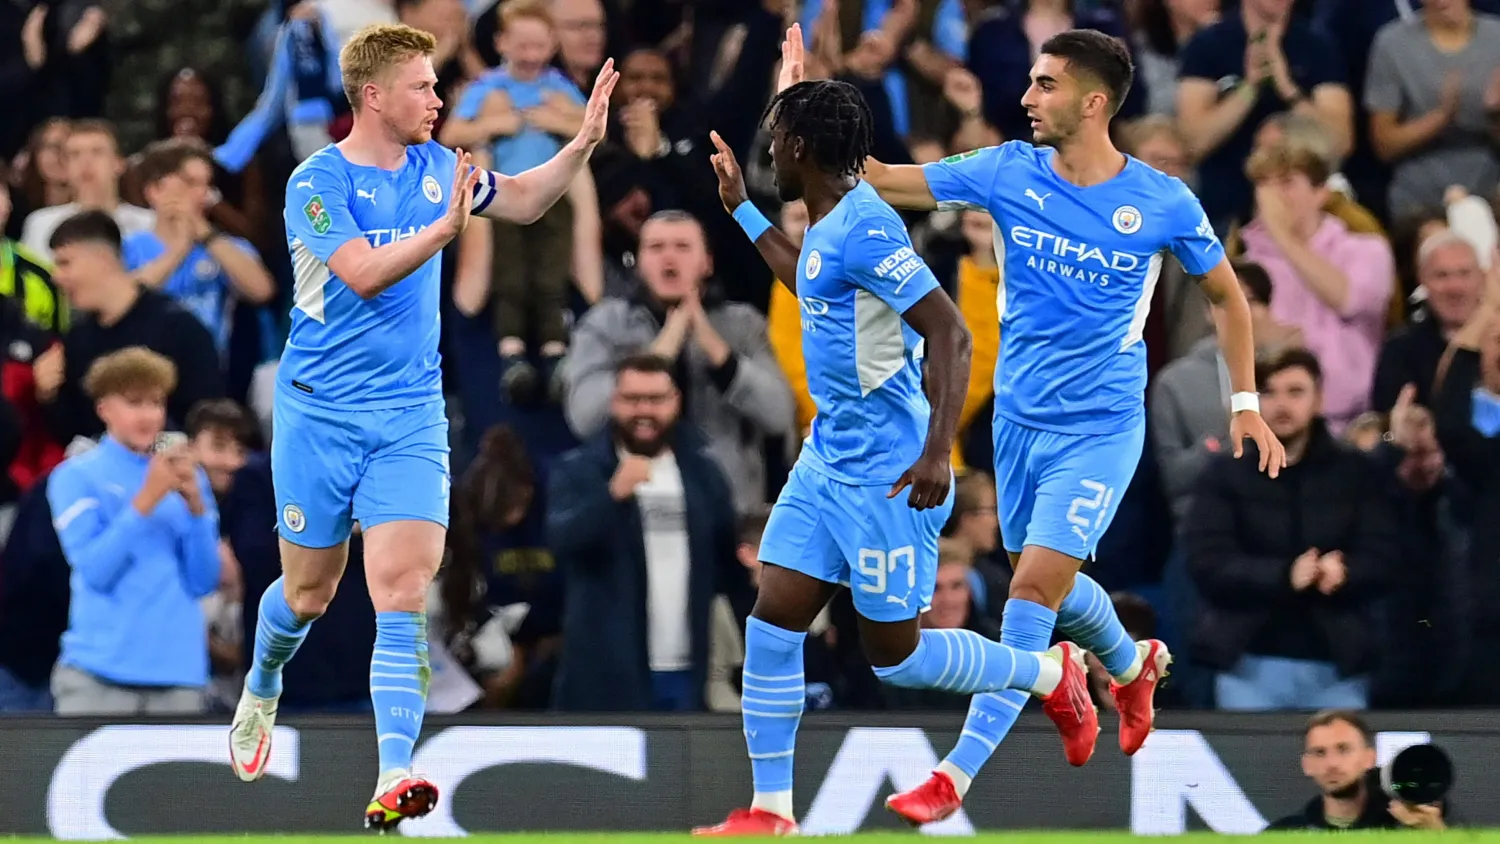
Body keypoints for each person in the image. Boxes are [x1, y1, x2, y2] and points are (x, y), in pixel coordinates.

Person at [855, 27, 1286, 824]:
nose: (1025, 98)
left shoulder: (1160, 201)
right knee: (1050, 582)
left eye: (1044, 84)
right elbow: (886, 180)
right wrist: (810, 116)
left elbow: (1227, 296)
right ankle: (1130, 664)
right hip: (1018, 422)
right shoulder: (1006, 171)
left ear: (1093, 103)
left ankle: (955, 774)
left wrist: (1247, 404)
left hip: (1101, 427)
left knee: (1029, 590)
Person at [693, 30, 1094, 837]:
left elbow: (951, 334)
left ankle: (1052, 669)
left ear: (801, 148)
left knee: (898, 655)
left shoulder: (870, 229)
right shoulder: (828, 221)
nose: (769, 149)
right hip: (828, 456)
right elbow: (807, 281)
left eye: (776, 140)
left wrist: (937, 450)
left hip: (887, 467)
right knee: (772, 621)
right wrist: (738, 205)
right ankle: (772, 810)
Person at [224, 21, 618, 830]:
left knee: (402, 591)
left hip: (408, 415)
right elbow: (363, 274)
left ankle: (394, 773)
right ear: (374, 96)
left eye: (438, 85)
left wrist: (580, 144)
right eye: (424, 86)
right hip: (320, 412)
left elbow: (531, 198)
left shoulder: (444, 168)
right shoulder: (316, 181)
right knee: (308, 594)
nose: (440, 99)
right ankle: (264, 682)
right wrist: (440, 231)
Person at [1268, 710, 1449, 830]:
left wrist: (1435, 835)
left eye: (1343, 750)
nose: (1332, 763)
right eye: (1319, 752)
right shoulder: (1282, 834)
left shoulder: (1411, 823)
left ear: (1369, 758)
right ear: (1306, 765)